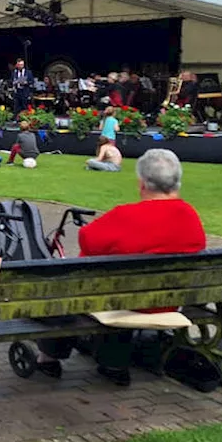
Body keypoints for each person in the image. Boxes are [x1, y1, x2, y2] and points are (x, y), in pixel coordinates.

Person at [36, 149, 206, 384]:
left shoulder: (126, 215)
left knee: (66, 285)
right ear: (177, 181)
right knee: (118, 283)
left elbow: (86, 238)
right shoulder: (191, 217)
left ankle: (49, 358)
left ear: (142, 183)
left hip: (122, 301)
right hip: (167, 301)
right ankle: (112, 362)